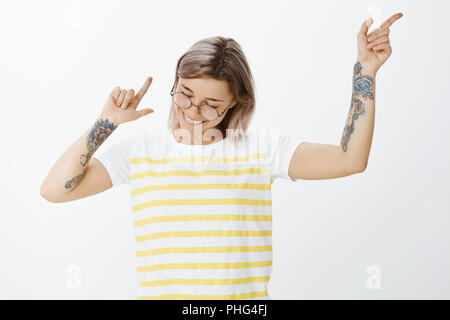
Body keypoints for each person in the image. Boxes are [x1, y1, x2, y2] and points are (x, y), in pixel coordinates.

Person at [40, 13, 403, 300]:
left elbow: (349, 159)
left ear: (236, 103)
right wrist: (106, 124)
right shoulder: (141, 153)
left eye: (211, 105)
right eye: (183, 94)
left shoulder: (261, 149)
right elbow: (55, 189)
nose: (192, 111)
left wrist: (365, 72)